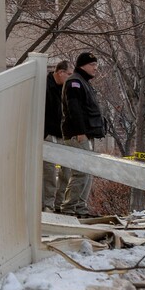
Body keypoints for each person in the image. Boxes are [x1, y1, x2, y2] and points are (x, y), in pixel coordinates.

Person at [59, 51, 106, 217]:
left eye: (96, 65)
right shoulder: (74, 83)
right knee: (81, 172)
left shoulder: (83, 82)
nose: (95, 68)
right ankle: (69, 209)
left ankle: (80, 208)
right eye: (92, 65)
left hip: (86, 134)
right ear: (82, 65)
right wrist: (80, 132)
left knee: (87, 171)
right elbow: (74, 109)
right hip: (78, 135)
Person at [42, 60, 73, 212]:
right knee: (49, 172)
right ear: (60, 72)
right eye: (69, 74)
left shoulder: (66, 88)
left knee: (67, 171)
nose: (70, 77)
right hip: (48, 135)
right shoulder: (45, 86)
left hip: (63, 135)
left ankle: (60, 204)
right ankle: (48, 205)